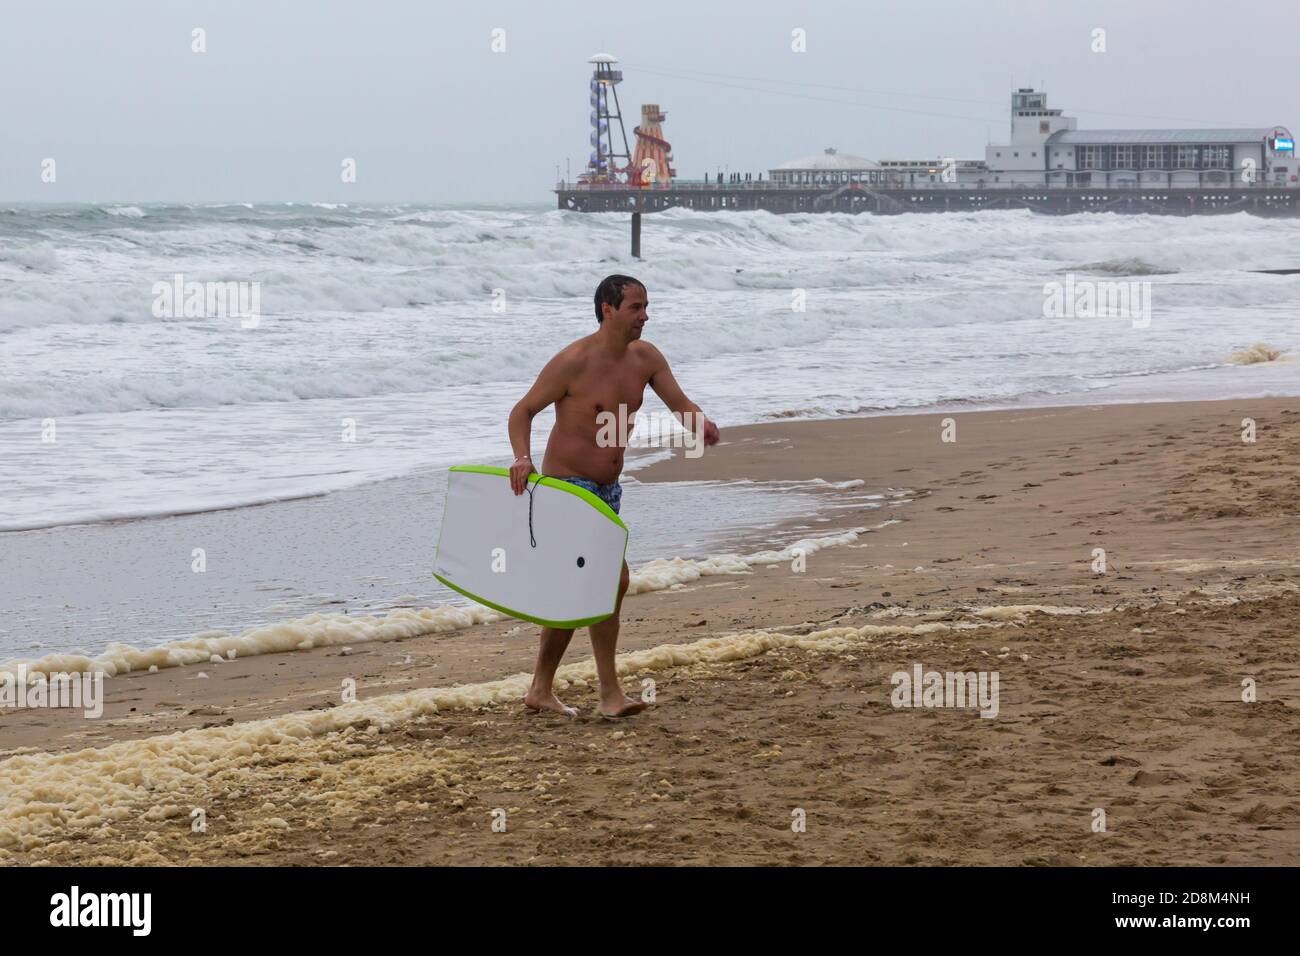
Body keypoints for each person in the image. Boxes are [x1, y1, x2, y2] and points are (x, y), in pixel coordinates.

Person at [507, 275, 719, 717]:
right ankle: (609, 694)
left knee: (580, 589)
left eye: (646, 307)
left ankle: (540, 688)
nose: (645, 316)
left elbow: (680, 403)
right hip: (569, 489)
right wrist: (522, 458)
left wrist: (699, 423)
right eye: (636, 308)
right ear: (608, 309)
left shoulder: (645, 358)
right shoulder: (573, 362)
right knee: (612, 579)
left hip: (608, 490)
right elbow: (522, 411)